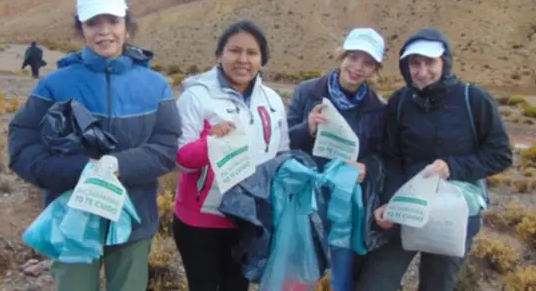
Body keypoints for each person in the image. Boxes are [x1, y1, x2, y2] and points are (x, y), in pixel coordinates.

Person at [7, 0, 181, 291]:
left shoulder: (155, 86)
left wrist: (118, 165)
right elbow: (22, 148)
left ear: (127, 25)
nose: (104, 32)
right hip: (72, 220)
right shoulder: (54, 85)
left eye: (112, 21)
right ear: (81, 29)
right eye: (93, 23)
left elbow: (167, 147)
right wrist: (82, 170)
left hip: (134, 220)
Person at [355, 28, 514, 291]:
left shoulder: (474, 100)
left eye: (430, 62)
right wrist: (389, 201)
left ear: (445, 62)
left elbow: (500, 154)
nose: (422, 71)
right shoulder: (401, 101)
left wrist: (452, 167)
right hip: (407, 208)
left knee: (437, 285)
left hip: (453, 213)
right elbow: (392, 157)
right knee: (375, 283)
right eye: (414, 63)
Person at [173, 20, 290, 291]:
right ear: (219, 54)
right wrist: (210, 144)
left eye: (252, 53)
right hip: (202, 219)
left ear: (262, 60)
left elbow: (281, 153)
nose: (243, 60)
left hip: (249, 219)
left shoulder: (272, 100)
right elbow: (179, 159)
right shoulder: (196, 97)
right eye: (235, 50)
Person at [286, 28, 388, 291]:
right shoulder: (307, 92)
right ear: (341, 57)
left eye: (367, 63)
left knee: (341, 273)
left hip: (346, 202)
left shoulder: (378, 108)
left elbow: (382, 154)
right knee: (300, 268)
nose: (357, 67)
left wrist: (367, 167)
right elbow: (282, 141)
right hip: (305, 198)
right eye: (353, 57)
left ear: (375, 69)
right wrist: (307, 127)